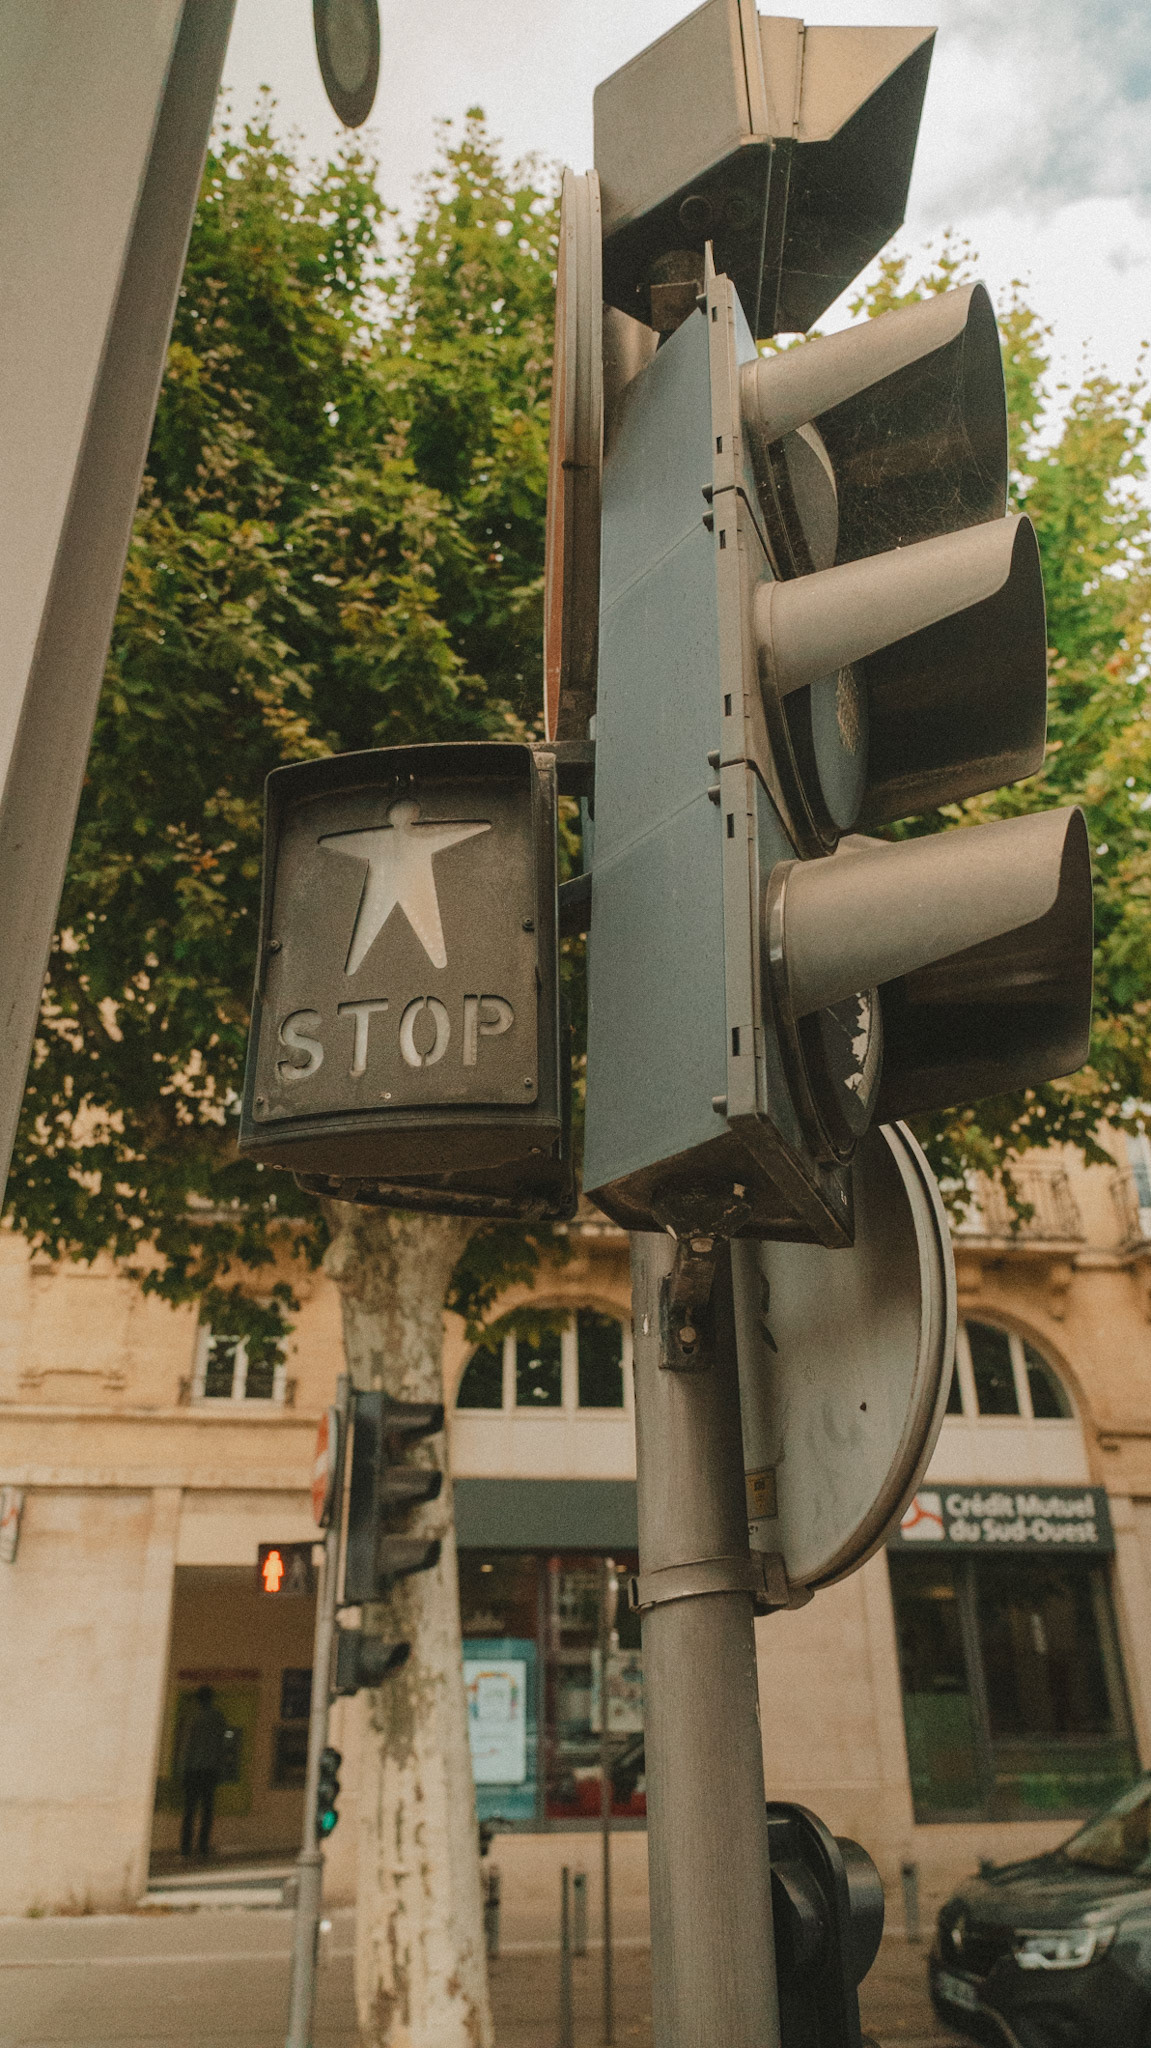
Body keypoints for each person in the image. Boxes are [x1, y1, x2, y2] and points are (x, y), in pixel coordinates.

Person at [178, 1684, 230, 1858]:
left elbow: (187, 1746)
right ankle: (203, 1846)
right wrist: (221, 1769)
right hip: (210, 1770)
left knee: (189, 1810)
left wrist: (182, 1770)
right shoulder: (218, 1717)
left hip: (192, 1770)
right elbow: (222, 1745)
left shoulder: (193, 1717)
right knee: (207, 1810)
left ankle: (185, 1847)